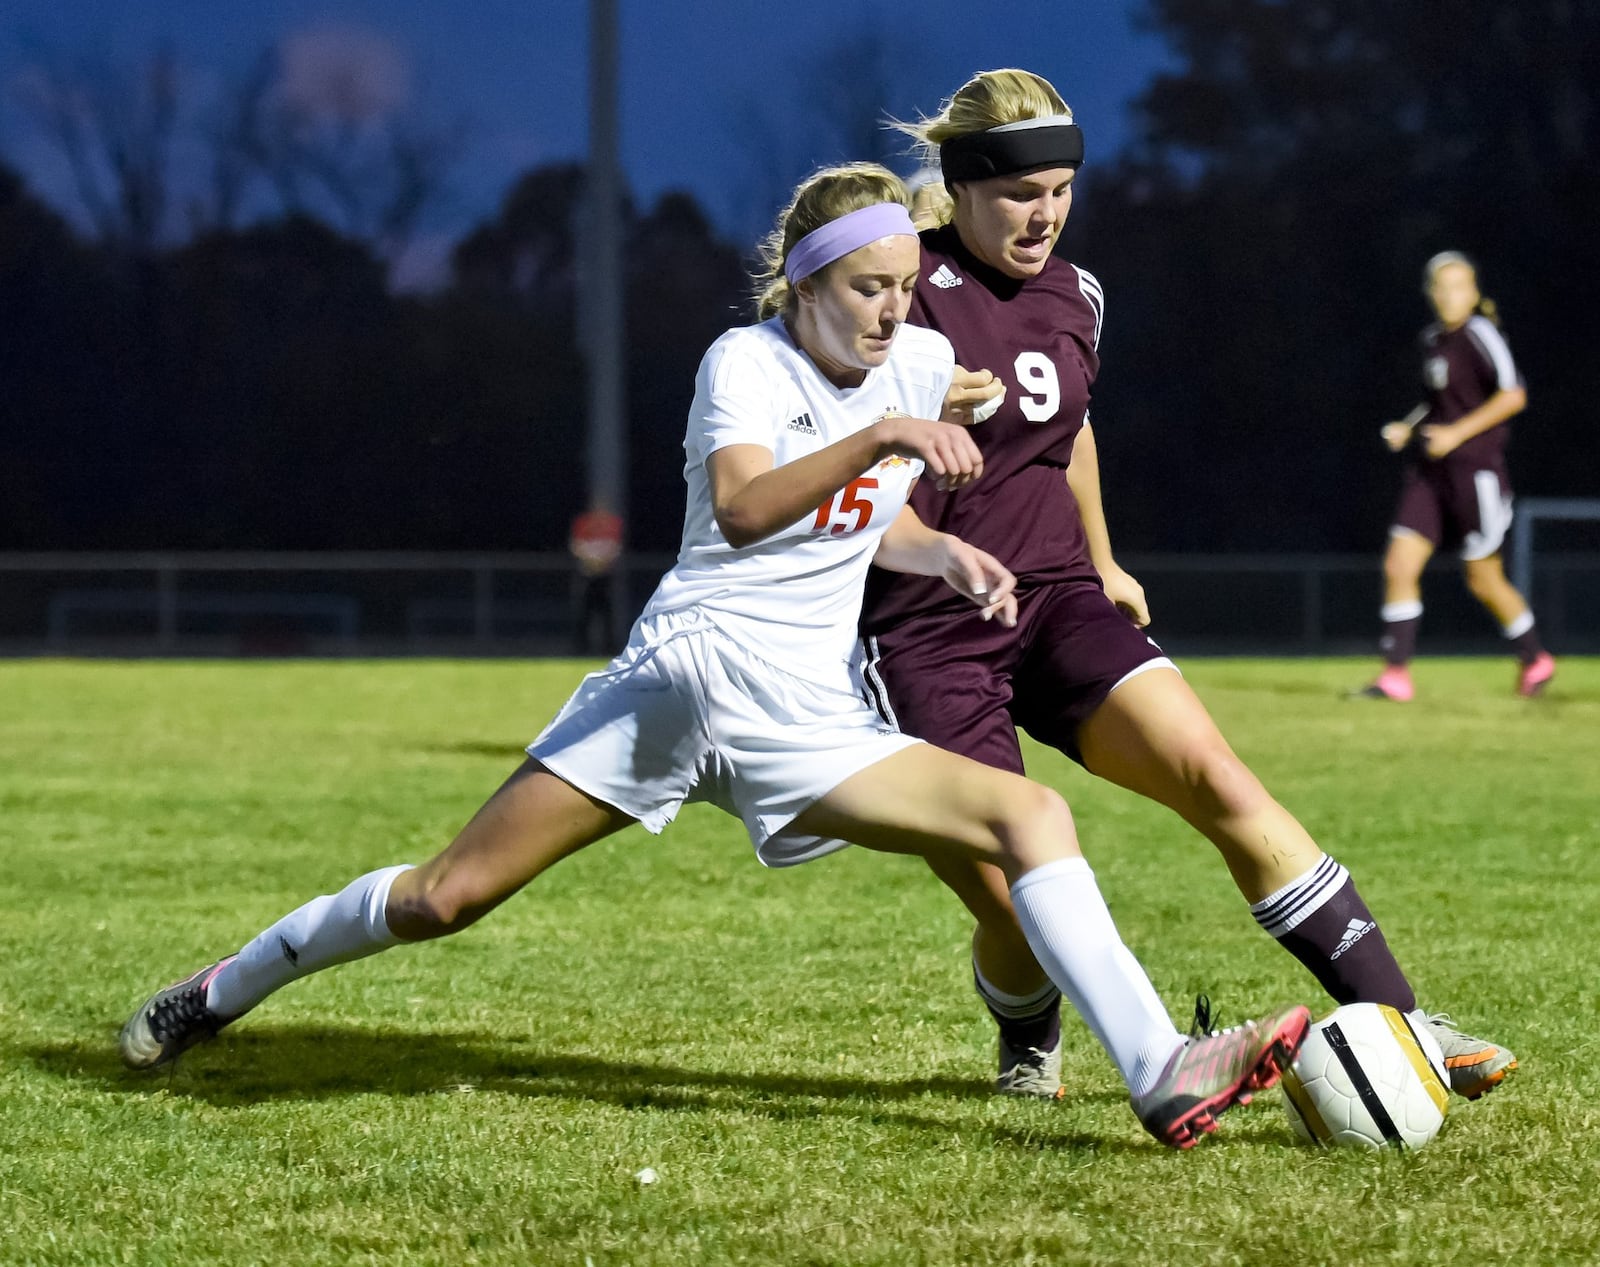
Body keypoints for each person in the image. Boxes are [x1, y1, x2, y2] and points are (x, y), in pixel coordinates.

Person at [119, 164, 1309, 1150]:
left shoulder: (902, 368)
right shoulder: (743, 364)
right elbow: (745, 509)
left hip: (803, 710)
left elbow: (866, 512)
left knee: (1030, 817)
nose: (894, 312)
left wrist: (938, 556)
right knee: (446, 896)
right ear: (803, 282)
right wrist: (890, 429)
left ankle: (1159, 1071)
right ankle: (220, 989)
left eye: (903, 286)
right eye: (865, 287)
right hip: (683, 681)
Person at [854, 70, 1515, 1102]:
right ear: (965, 182)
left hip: (1058, 598)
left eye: (1063, 187)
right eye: (1023, 191)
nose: (1047, 212)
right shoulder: (893, 291)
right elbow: (820, 449)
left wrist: (1107, 561)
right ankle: (1027, 1029)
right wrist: (906, 400)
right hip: (923, 628)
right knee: (1010, 897)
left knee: (1216, 773)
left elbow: (1070, 435)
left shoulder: (1079, 296)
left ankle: (1405, 1022)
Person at [1360, 252, 1555, 701]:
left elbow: (1513, 395)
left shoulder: (1480, 334)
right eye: (1442, 287)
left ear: (1474, 292)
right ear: (1430, 293)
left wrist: (1456, 435)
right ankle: (1395, 676)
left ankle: (1535, 658)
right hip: (1430, 475)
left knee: (1483, 579)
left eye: (1459, 286)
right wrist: (1406, 428)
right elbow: (1437, 402)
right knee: (1398, 565)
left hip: (1477, 474)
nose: (1450, 295)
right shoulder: (1431, 340)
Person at [568, 499, 624, 655]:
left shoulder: (613, 523)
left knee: (607, 613)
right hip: (587, 574)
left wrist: (602, 561)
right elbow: (576, 545)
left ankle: (610, 649)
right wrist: (591, 559)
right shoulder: (583, 522)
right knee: (584, 613)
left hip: (606, 575)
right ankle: (581, 649)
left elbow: (616, 547)